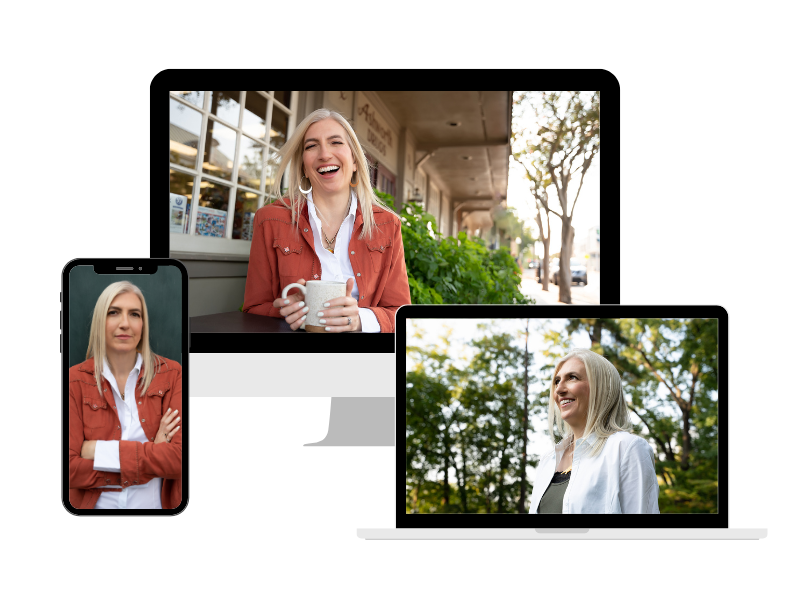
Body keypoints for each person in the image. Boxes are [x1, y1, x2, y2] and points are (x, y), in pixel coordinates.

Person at [243, 108, 411, 332]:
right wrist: (284, 312)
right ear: (304, 166)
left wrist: (359, 319)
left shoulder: (387, 226)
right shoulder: (271, 220)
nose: (324, 154)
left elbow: (400, 314)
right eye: (311, 146)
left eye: (335, 142)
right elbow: (254, 307)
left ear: (354, 161)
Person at [68, 281, 182, 510]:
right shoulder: (74, 381)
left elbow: (179, 459)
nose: (125, 324)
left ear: (143, 324)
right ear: (101, 320)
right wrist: (154, 450)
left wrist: (95, 450)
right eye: (114, 312)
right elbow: (69, 470)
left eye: (134, 314)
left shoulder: (171, 375)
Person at [529, 348, 659, 514]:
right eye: (556, 381)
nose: (559, 390)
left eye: (572, 377)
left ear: (601, 387)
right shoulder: (548, 460)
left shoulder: (626, 448)